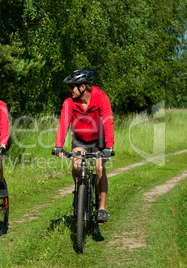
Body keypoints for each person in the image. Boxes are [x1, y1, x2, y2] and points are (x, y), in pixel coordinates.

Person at [52, 69, 115, 223]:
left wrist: (109, 146)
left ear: (82, 87)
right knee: (77, 165)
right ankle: (79, 190)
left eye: (72, 86)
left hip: (99, 140)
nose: (69, 90)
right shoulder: (69, 102)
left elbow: (108, 121)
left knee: (100, 168)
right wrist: (59, 145)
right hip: (80, 140)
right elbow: (64, 124)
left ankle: (102, 208)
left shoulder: (101, 97)